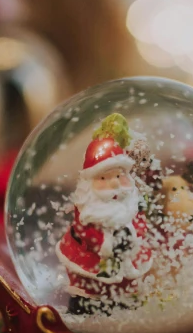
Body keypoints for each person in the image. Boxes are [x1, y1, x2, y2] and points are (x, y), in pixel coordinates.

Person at [56, 121, 153, 315]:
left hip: (128, 261)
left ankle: (125, 304)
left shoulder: (132, 202)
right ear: (91, 181)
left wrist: (134, 236)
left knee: (126, 291)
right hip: (93, 263)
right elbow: (87, 233)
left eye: (119, 176)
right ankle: (87, 307)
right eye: (104, 178)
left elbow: (140, 223)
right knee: (91, 292)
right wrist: (108, 244)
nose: (115, 184)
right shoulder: (88, 208)